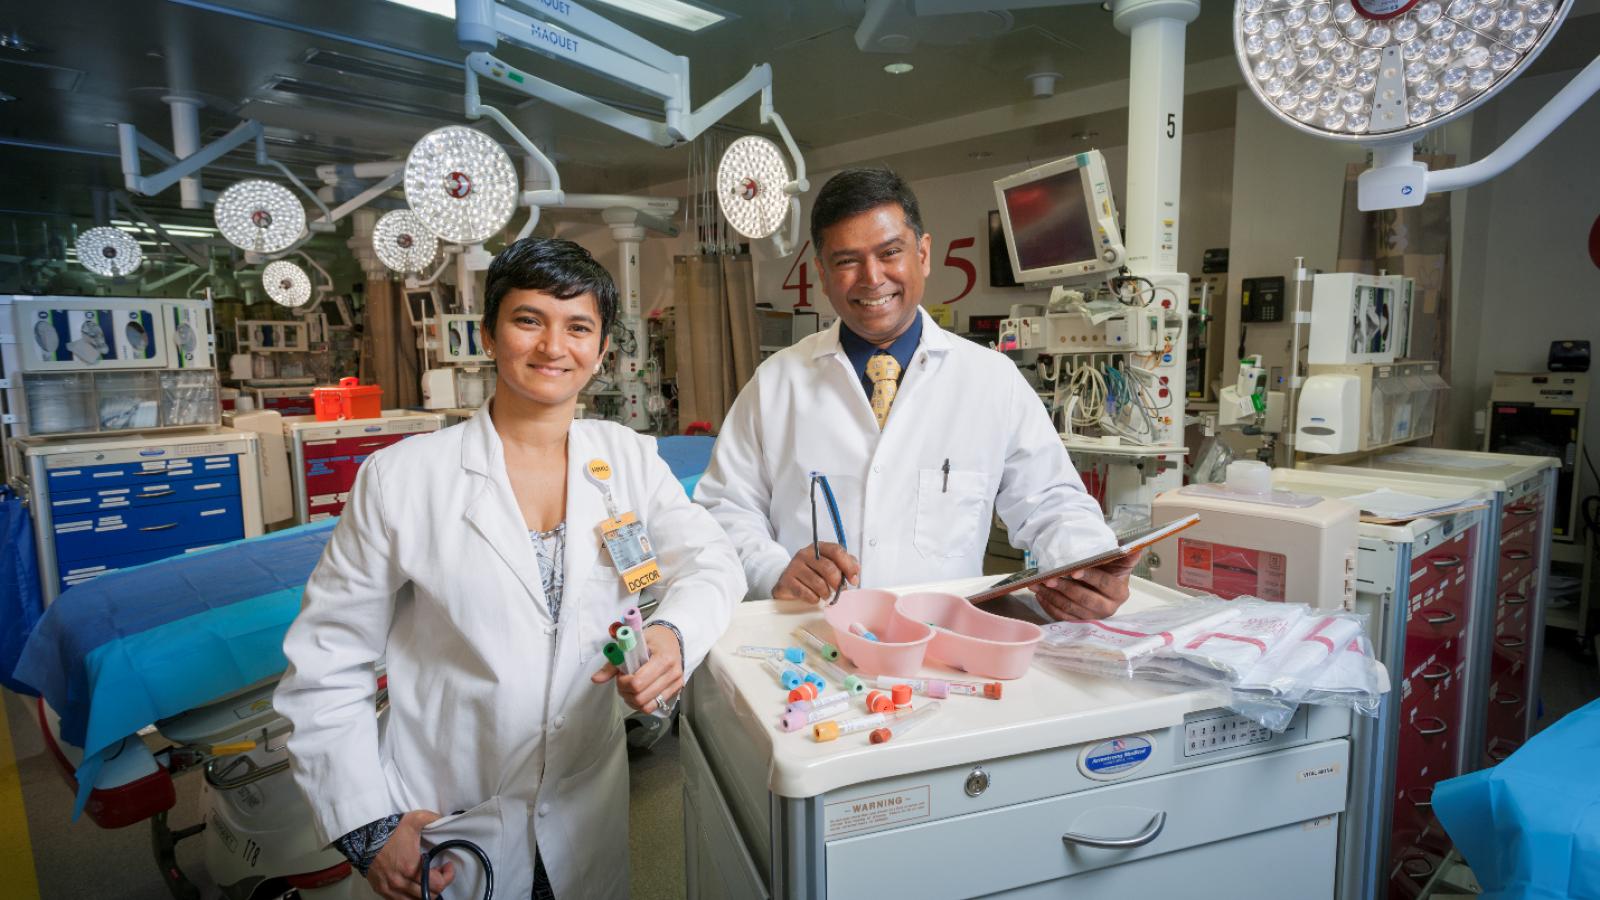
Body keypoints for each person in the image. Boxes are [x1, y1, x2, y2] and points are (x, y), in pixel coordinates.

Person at [275, 238, 745, 900]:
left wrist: (672, 635)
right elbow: (327, 662)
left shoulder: (628, 461)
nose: (554, 346)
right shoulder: (404, 479)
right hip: (448, 819)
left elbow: (713, 562)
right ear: (490, 335)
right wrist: (368, 827)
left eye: (578, 326)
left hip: (587, 809)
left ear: (602, 350)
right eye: (529, 320)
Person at [694, 167, 1137, 621]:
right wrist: (774, 570)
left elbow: (1051, 502)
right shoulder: (776, 383)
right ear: (822, 273)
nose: (872, 277)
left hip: (940, 646)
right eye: (847, 261)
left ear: (923, 254)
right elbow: (724, 508)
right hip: (805, 641)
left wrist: (1090, 565)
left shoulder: (992, 381)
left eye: (890, 252)